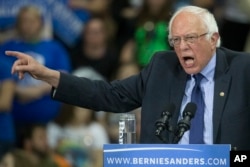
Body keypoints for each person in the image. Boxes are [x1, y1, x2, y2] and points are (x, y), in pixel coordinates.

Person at [5, 5, 250, 150]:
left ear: (213, 39)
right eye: (176, 40)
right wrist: (50, 76)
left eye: (190, 38)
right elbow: (110, 95)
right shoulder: (162, 67)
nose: (182, 47)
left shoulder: (242, 69)